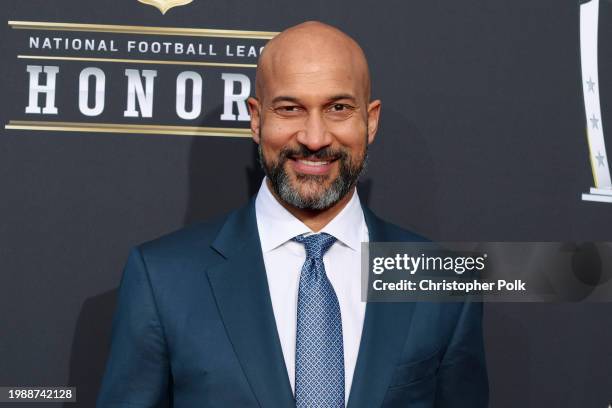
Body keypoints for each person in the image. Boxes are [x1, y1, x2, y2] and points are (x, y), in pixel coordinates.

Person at [97, 21, 488, 408]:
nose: (314, 138)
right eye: (290, 108)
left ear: (370, 121)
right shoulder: (163, 278)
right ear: (256, 118)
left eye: (338, 108)